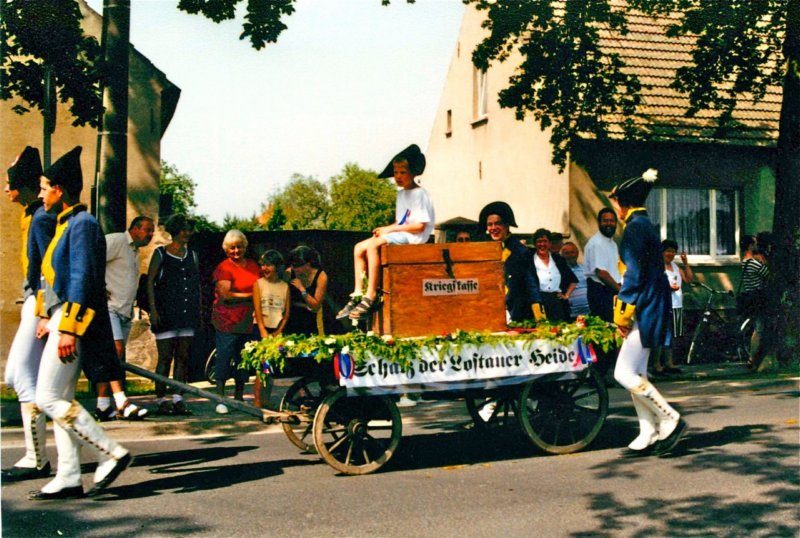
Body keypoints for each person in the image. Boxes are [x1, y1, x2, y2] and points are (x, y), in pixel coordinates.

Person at [31, 146, 131, 499]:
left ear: (59, 189)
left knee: (47, 397)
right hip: (61, 317)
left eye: (44, 187)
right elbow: (54, 278)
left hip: (73, 320)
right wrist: (47, 316)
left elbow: (83, 280)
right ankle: (69, 476)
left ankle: (110, 451)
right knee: (60, 397)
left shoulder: (83, 225)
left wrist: (68, 328)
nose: (40, 193)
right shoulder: (68, 224)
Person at [610, 168, 687, 457]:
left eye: (616, 202)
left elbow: (633, 273)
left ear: (623, 203)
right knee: (637, 371)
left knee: (623, 372)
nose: (615, 208)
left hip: (644, 305)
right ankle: (648, 430)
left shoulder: (633, 228)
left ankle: (669, 417)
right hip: (652, 302)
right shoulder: (644, 224)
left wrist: (622, 314)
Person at [336, 144, 435, 321]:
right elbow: (402, 221)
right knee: (359, 247)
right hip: (403, 233)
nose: (398, 177)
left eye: (402, 172)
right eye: (396, 172)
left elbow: (419, 225)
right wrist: (386, 230)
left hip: (415, 238)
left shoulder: (419, 194)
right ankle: (358, 293)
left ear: (413, 173)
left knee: (374, 245)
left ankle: (371, 294)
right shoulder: (401, 195)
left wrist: (389, 230)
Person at [2, 146, 53, 482]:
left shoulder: (40, 217)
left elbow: (51, 267)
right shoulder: (31, 215)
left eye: (10, 184)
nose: (6, 190)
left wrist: (46, 309)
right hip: (32, 302)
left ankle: (37, 458)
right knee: (23, 379)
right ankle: (38, 456)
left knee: (21, 376)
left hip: (40, 303)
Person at [93, 216, 154, 421]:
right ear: (135, 229)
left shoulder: (135, 252)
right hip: (109, 309)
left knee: (110, 357)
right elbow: (93, 256)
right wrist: (98, 287)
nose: (151, 235)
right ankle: (122, 402)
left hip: (125, 311)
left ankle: (102, 405)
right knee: (115, 352)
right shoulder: (117, 241)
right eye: (148, 230)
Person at [148, 214, 201, 416]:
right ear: (175, 230)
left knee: (183, 357)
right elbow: (150, 283)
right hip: (166, 314)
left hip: (186, 313)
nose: (187, 233)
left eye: (190, 229)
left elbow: (195, 286)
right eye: (184, 229)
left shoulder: (192, 255)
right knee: (164, 358)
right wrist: (153, 311)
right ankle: (161, 399)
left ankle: (178, 398)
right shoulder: (160, 254)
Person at [211, 229, 260, 414]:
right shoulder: (224, 267)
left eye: (239, 247)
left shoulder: (253, 265)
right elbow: (226, 295)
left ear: (244, 246)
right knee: (224, 357)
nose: (236, 251)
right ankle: (220, 398)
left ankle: (239, 397)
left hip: (248, 321)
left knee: (243, 360)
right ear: (226, 249)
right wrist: (251, 296)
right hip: (227, 321)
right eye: (232, 248)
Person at [479, 201, 545, 323]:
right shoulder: (483, 250)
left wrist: (539, 318)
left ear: (506, 225)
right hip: (490, 313)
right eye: (490, 225)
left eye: (497, 223)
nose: (493, 228)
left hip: (516, 314)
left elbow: (532, 286)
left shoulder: (521, 252)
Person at [252, 249, 290, 407]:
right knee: (262, 366)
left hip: (277, 330)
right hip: (262, 329)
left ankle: (266, 400)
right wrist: (263, 331)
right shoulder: (259, 284)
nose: (265, 269)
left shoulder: (284, 286)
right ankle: (258, 401)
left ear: (277, 266)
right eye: (263, 265)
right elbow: (258, 310)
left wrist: (278, 332)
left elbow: (286, 314)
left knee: (271, 367)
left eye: (269, 265)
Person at [651, 240, 693, 375]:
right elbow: (654, 285)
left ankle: (669, 363)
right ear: (662, 252)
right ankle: (657, 364)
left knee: (673, 335)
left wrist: (685, 263)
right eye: (668, 251)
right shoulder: (658, 267)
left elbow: (688, 279)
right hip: (663, 305)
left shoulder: (675, 267)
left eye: (673, 252)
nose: (671, 254)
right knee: (661, 334)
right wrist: (668, 287)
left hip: (677, 305)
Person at [738, 237, 771, 370]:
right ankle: (752, 358)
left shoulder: (744, 263)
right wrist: (764, 261)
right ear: (750, 246)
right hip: (759, 298)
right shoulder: (753, 263)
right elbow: (768, 274)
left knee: (757, 327)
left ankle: (753, 357)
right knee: (759, 328)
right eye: (755, 243)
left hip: (751, 298)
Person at [531, 228, 577, 322]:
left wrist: (566, 295)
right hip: (539, 301)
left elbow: (573, 281)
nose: (542, 244)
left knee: (559, 329)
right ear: (535, 244)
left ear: (550, 243)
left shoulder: (558, 259)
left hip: (556, 301)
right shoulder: (530, 260)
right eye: (539, 241)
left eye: (545, 241)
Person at [584, 208, 621, 322]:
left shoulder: (612, 243)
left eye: (612, 221)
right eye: (605, 221)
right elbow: (601, 273)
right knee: (606, 327)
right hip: (601, 291)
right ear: (599, 223)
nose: (609, 223)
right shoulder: (597, 243)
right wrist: (620, 290)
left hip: (611, 290)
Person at [560, 241, 590, 318]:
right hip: (571, 314)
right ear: (562, 255)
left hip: (589, 312)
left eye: (572, 252)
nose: (570, 255)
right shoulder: (560, 272)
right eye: (567, 253)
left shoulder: (585, 269)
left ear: (577, 253)